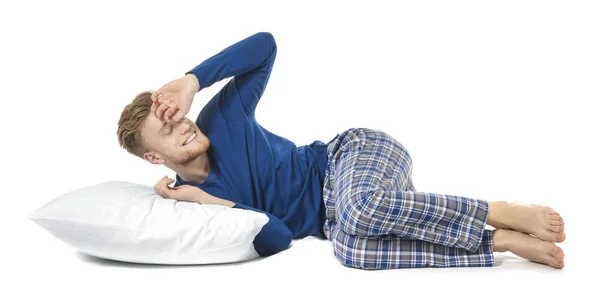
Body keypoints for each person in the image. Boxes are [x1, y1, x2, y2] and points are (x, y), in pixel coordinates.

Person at [116, 32, 566, 270]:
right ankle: (496, 243)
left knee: (357, 212)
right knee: (353, 252)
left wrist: (191, 81)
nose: (182, 123)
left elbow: (265, 46)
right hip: (344, 218)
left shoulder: (221, 119)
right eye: (167, 128)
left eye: (176, 113)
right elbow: (275, 237)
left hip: (352, 155)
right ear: (154, 158)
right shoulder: (190, 202)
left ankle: (496, 210)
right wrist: (205, 200)